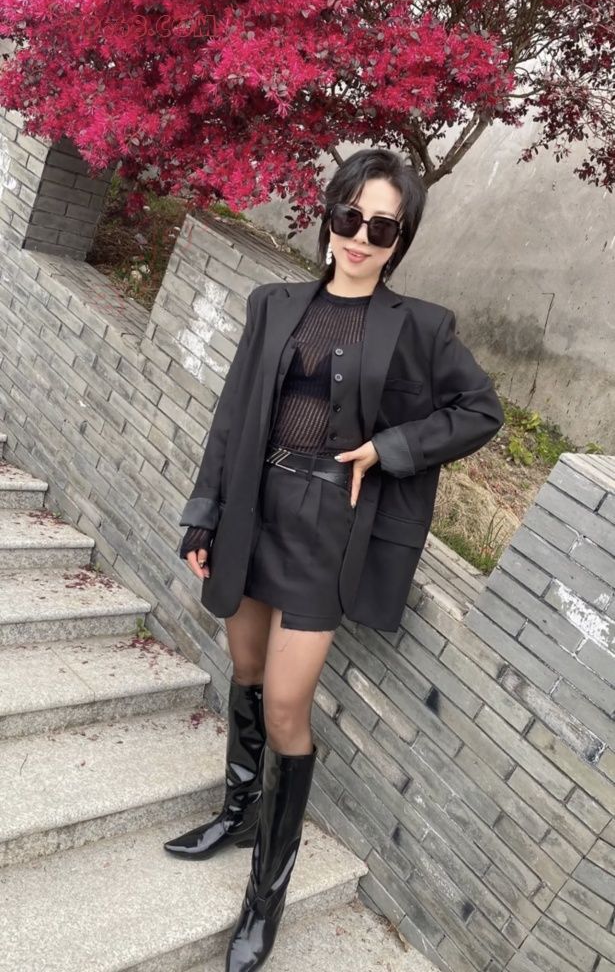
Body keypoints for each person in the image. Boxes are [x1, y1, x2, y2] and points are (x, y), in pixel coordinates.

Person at [163, 148, 505, 971]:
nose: (359, 237)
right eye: (350, 217)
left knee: (287, 705)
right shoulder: (273, 304)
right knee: (246, 668)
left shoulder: (420, 326)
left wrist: (389, 447)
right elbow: (231, 415)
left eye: (381, 227)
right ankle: (239, 810)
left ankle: (265, 897)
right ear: (330, 214)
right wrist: (204, 514)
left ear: (400, 239)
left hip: (329, 527)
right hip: (253, 510)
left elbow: (479, 410)